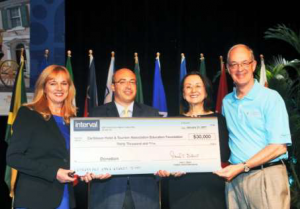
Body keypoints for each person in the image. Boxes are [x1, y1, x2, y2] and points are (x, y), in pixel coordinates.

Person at [215, 44, 291, 209]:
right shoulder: (227, 102)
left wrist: (244, 166)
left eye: (244, 63)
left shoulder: (270, 98)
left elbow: (279, 147)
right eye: (234, 64)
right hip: (235, 181)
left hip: (267, 176)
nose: (239, 68)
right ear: (228, 68)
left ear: (254, 65)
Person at [6, 65, 82, 209]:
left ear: (69, 88)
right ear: (44, 87)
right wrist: (54, 173)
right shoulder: (28, 114)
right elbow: (13, 157)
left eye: (64, 83)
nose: (59, 88)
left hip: (65, 196)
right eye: (53, 83)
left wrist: (88, 171)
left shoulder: (73, 120)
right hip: (35, 198)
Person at [89, 68, 161, 209]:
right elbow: (90, 151)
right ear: (113, 87)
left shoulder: (151, 114)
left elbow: (160, 151)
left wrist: (163, 168)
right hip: (107, 194)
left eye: (132, 82)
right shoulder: (96, 114)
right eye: (123, 82)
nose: (128, 86)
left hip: (144, 194)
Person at [158, 71, 230, 209]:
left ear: (206, 92)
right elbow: (165, 156)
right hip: (180, 186)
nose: (193, 90)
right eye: (188, 86)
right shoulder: (172, 122)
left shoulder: (218, 120)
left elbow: (225, 154)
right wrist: (167, 167)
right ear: (183, 94)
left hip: (210, 186)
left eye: (198, 86)